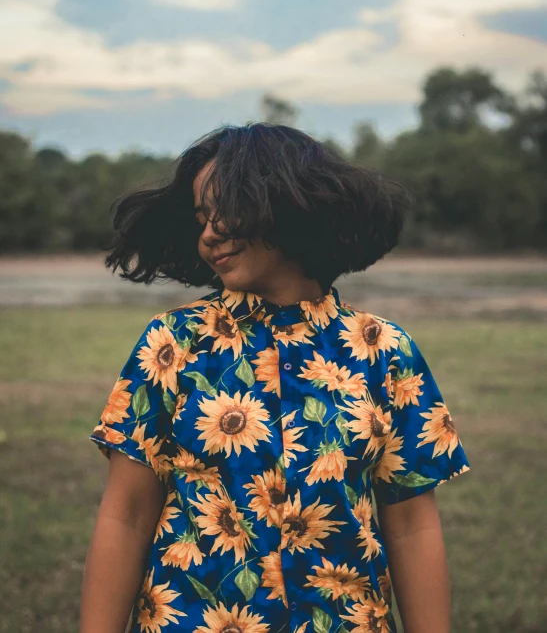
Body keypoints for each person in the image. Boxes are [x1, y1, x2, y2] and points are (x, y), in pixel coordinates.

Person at [80, 123, 470, 633]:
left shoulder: (385, 351)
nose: (209, 232)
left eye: (225, 209)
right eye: (201, 218)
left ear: (286, 204)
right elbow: (126, 515)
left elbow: (413, 527)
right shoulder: (171, 344)